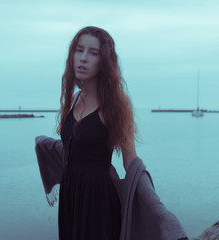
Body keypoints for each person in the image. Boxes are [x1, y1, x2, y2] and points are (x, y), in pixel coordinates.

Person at [56, 26, 137, 240]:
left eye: (93, 53)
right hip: (70, 195)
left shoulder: (115, 105)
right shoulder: (74, 99)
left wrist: (151, 207)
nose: (83, 58)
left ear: (105, 62)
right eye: (79, 50)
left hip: (98, 202)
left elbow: (131, 162)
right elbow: (67, 149)